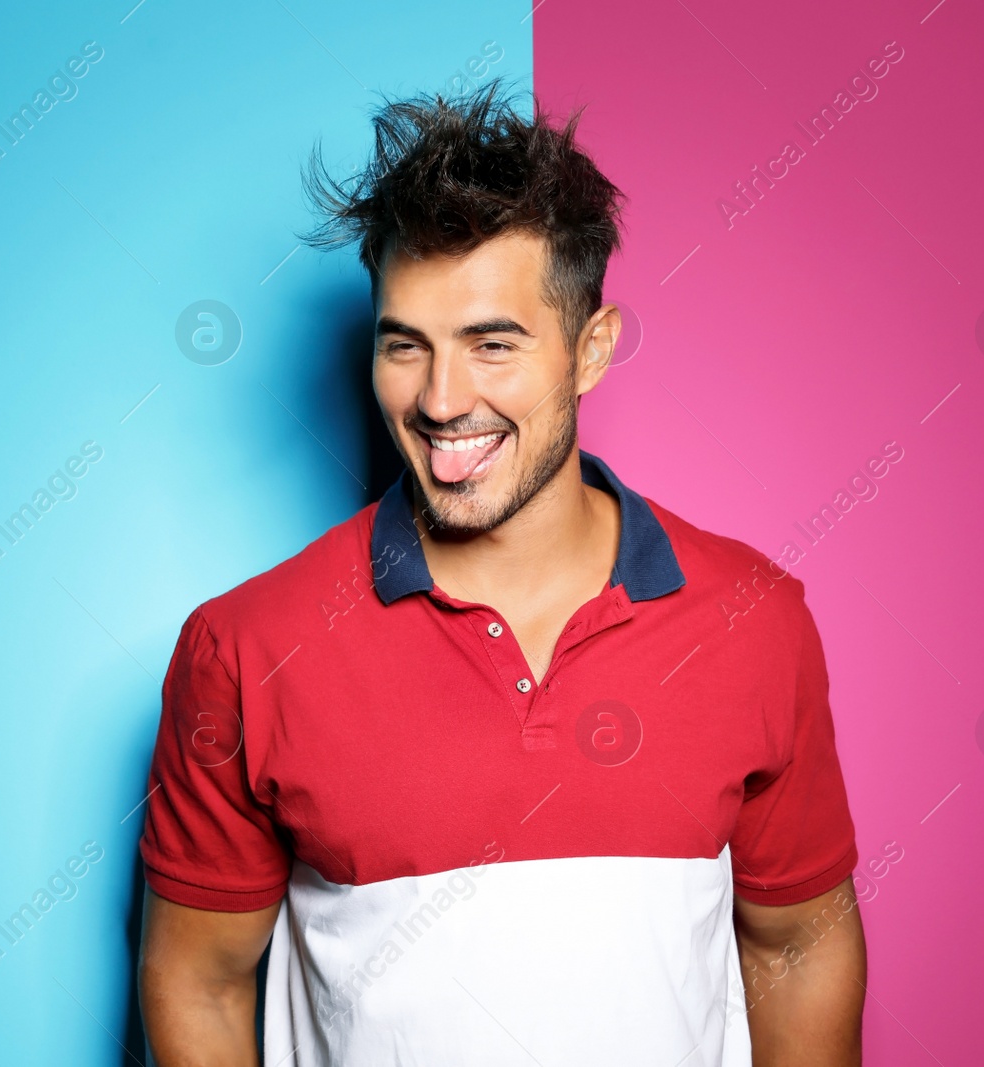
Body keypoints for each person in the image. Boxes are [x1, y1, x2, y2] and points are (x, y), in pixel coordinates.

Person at [138, 81, 865, 1066]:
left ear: (590, 350)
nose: (441, 400)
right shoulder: (245, 645)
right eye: (406, 346)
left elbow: (798, 942)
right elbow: (199, 977)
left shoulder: (754, 617)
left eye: (492, 344)